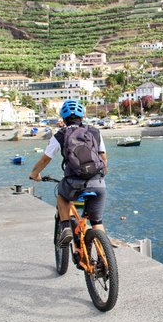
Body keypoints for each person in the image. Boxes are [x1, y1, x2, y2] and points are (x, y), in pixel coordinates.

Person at [29, 99, 108, 250]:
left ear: (63, 119)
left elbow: (45, 159)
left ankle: (65, 227)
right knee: (97, 222)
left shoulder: (60, 135)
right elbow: (104, 159)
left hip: (73, 182)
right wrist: (100, 177)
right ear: (82, 117)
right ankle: (105, 260)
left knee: (62, 195)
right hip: (97, 182)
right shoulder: (95, 132)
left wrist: (34, 173)